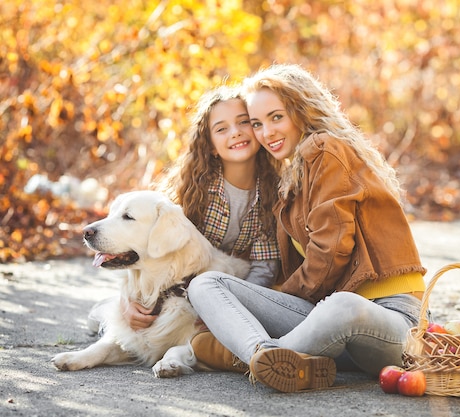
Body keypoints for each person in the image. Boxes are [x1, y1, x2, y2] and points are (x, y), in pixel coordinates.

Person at [188, 63, 427, 393]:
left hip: (390, 322)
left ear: (301, 111)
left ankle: (248, 357)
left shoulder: (327, 149)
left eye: (276, 117)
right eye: (257, 123)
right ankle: (267, 355)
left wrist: (278, 300)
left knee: (343, 305)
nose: (266, 132)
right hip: (330, 331)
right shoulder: (290, 179)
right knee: (206, 284)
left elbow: (331, 252)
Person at [89, 85, 281, 373]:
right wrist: (126, 302)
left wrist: (227, 307)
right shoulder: (192, 189)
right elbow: (143, 249)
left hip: (236, 287)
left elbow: (265, 268)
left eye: (244, 122)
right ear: (210, 145)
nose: (236, 132)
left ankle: (257, 355)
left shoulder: (272, 193)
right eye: (222, 128)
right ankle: (108, 314)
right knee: (103, 316)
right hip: (177, 292)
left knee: (211, 334)